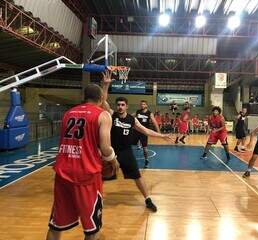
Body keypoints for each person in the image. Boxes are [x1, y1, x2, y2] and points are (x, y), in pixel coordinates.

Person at [46, 83, 118, 240]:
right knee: (92, 229)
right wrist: (113, 160)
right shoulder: (103, 115)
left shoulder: (68, 113)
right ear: (101, 98)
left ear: (84, 97)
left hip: (63, 172)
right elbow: (106, 148)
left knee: (55, 225)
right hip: (87, 174)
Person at [101, 72, 172, 212]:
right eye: (119, 105)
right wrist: (106, 85)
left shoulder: (132, 120)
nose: (120, 107)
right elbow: (103, 101)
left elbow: (146, 131)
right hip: (112, 151)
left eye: (123, 105)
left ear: (127, 106)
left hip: (126, 151)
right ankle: (97, 199)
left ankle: (148, 199)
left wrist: (161, 135)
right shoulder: (111, 115)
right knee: (102, 175)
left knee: (137, 176)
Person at [133, 100, 160, 168]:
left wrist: (159, 132)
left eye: (144, 104)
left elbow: (154, 122)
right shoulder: (138, 112)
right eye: (141, 104)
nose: (142, 105)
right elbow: (130, 116)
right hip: (136, 131)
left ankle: (146, 160)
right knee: (128, 145)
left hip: (144, 132)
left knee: (145, 148)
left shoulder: (149, 113)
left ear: (146, 105)